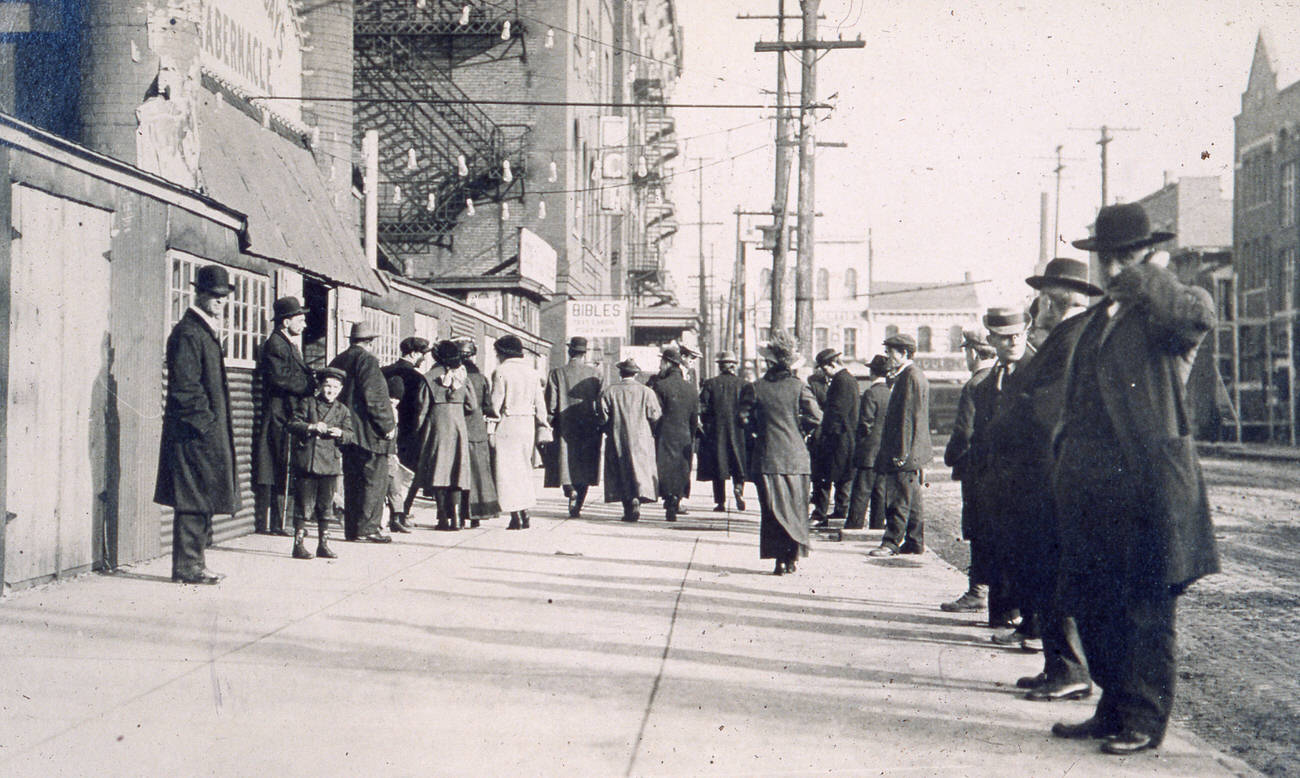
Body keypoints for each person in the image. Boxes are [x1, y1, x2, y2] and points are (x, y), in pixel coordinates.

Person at [1050, 203, 1217, 754]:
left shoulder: (1167, 306)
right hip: (1095, 489)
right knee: (1098, 604)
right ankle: (1113, 705)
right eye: (1108, 257)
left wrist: (1153, 275)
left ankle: (1143, 720)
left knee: (1145, 609)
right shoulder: (1102, 317)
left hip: (1147, 488)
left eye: (1127, 256)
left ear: (1147, 255)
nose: (1114, 267)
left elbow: (1194, 318)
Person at [987, 256, 1100, 702]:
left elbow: (1047, 410)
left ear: (1054, 302)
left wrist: (1013, 413)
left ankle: (1070, 668)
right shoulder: (1067, 336)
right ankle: (1058, 664)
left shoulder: (1071, 339)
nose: (1035, 308)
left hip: (1050, 477)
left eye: (1040, 299)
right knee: (1044, 573)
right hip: (1042, 476)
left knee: (1054, 574)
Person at [154, 264, 239, 585]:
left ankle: (195, 564)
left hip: (203, 432)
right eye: (213, 295)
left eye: (223, 296)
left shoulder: (202, 331)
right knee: (192, 498)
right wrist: (206, 425)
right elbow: (185, 389)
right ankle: (188, 567)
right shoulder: (189, 332)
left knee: (202, 495)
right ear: (199, 294)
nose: (219, 301)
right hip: (193, 434)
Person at [969, 307, 1038, 650]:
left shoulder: (1037, 370)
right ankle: (1015, 617)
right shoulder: (996, 373)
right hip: (999, 480)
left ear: (1026, 331)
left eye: (1017, 335)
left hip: (1030, 480)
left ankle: (1033, 625)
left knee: (1030, 554)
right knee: (1007, 550)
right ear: (992, 340)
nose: (1012, 341)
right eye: (1004, 336)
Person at [740, 332, 822, 575]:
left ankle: (779, 561)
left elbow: (742, 418)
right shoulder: (799, 387)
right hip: (796, 458)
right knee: (796, 508)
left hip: (767, 458)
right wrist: (800, 430)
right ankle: (793, 557)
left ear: (770, 363)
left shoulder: (756, 388)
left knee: (772, 511)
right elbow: (817, 417)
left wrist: (758, 430)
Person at [939, 330, 998, 615]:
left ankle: (977, 592)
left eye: (966, 352)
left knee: (977, 530)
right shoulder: (1000, 378)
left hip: (976, 472)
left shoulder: (974, 384)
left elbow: (963, 430)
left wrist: (951, 457)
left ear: (973, 353)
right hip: (998, 471)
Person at [252, 296, 315, 537]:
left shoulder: (288, 343)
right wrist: (310, 384)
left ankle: (284, 521)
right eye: (300, 320)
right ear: (286, 321)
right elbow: (281, 378)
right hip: (281, 414)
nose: (304, 325)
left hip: (287, 412)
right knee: (284, 465)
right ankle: (281, 523)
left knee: (286, 465)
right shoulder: (277, 344)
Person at [329, 321, 396, 543]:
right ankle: (368, 529)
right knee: (374, 481)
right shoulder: (367, 360)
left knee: (352, 481)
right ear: (370, 342)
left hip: (346, 431)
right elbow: (374, 397)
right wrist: (387, 425)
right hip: (368, 432)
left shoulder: (339, 359)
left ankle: (352, 529)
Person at [868, 333, 932, 557]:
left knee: (898, 497)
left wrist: (901, 452)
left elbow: (907, 417)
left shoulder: (909, 377)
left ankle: (891, 542)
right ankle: (914, 542)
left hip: (904, 451)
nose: (888, 357)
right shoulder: (914, 375)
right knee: (912, 499)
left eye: (891, 353)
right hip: (912, 451)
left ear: (904, 353)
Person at [286, 367, 355, 560]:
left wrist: (341, 434)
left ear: (340, 389)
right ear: (320, 386)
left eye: (335, 387)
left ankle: (323, 545)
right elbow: (292, 424)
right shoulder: (308, 403)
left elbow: (350, 435)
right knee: (303, 504)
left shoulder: (342, 410)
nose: (330, 391)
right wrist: (311, 426)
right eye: (327, 386)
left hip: (330, 464)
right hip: (308, 462)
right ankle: (298, 545)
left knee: (325, 506)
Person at [491, 335, 549, 529]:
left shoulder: (501, 372)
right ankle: (525, 511)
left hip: (509, 423)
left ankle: (515, 514)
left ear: (503, 352)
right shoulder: (532, 373)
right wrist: (542, 423)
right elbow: (541, 406)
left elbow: (494, 405)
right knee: (524, 468)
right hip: (527, 425)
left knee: (507, 470)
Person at [415, 340, 473, 531]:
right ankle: (456, 516)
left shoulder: (429, 377)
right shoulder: (464, 376)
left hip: (437, 424)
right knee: (457, 469)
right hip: (458, 424)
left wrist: (418, 430)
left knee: (439, 468)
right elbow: (472, 405)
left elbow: (422, 408)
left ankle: (441, 517)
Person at [544, 336, 603, 518]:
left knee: (565, 461)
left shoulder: (557, 373)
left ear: (570, 351)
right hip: (589, 426)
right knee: (585, 465)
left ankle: (569, 490)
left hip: (564, 424)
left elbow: (551, 404)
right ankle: (578, 503)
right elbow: (601, 403)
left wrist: (551, 420)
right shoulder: (596, 374)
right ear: (585, 353)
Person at [598, 358, 662, 521]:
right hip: (641, 438)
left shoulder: (610, 391)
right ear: (636, 374)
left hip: (617, 436)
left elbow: (602, 417)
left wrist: (608, 429)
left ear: (621, 373)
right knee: (639, 471)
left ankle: (627, 506)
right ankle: (637, 499)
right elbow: (655, 416)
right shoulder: (647, 392)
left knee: (621, 471)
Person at [382, 336, 431, 531]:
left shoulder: (384, 372)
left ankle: (386, 514)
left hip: (385, 429)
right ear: (413, 353)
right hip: (410, 432)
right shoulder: (418, 378)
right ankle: (401, 514)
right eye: (422, 354)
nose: (424, 359)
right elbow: (420, 408)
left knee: (387, 473)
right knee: (408, 475)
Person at [810, 348, 858, 526]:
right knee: (841, 476)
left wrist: (825, 434)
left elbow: (837, 412)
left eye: (824, 369)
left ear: (832, 364)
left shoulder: (841, 381)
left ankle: (826, 513)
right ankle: (839, 511)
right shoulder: (847, 379)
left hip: (837, 439)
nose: (824, 373)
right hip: (843, 438)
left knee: (826, 475)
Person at [651, 346, 699, 522]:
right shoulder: (691, 389)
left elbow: (655, 412)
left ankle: (668, 498)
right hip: (685, 433)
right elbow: (695, 417)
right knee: (681, 468)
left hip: (664, 433)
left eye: (661, 362)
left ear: (667, 363)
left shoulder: (660, 386)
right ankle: (676, 498)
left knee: (665, 467)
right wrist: (692, 435)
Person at [845, 354, 892, 531]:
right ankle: (877, 527)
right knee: (880, 493)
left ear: (872, 372)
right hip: (884, 452)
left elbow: (865, 423)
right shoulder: (890, 393)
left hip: (868, 452)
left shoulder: (871, 393)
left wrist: (859, 443)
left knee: (861, 491)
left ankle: (854, 526)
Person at [697, 350, 748, 512]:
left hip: (716, 431)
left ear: (720, 366)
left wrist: (706, 424)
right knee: (738, 461)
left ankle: (720, 502)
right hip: (738, 431)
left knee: (719, 465)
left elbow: (702, 407)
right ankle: (739, 488)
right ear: (734, 366)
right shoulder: (744, 384)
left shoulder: (710, 384)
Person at [457, 338, 499, 526]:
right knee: (479, 473)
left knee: (458, 472)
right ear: (472, 355)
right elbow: (489, 407)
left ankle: (456, 515)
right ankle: (476, 515)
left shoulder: (455, 376)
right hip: (477, 431)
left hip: (459, 430)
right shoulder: (481, 378)